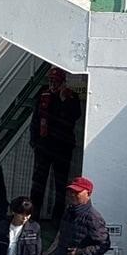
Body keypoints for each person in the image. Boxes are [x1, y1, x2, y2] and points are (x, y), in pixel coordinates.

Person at [30, 67, 83, 224]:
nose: (53, 84)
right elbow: (35, 120)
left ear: (62, 82)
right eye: (51, 80)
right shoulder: (42, 96)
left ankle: (57, 218)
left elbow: (74, 116)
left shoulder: (71, 98)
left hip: (62, 147)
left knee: (61, 184)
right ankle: (33, 215)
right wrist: (34, 141)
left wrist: (63, 100)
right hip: (44, 146)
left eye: (56, 81)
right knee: (38, 182)